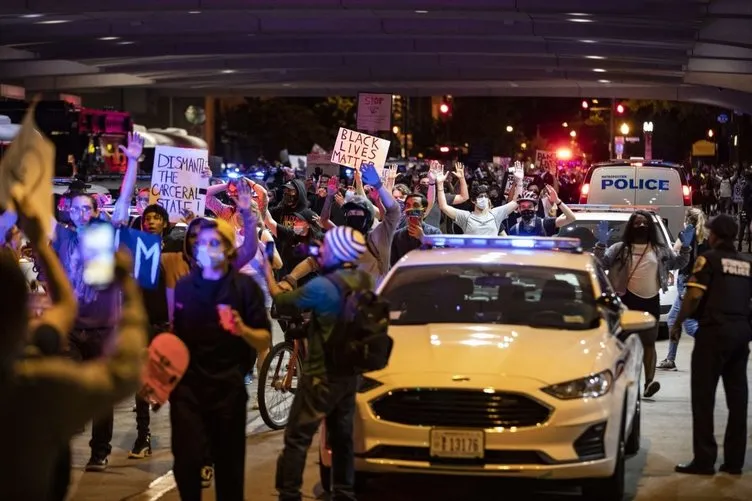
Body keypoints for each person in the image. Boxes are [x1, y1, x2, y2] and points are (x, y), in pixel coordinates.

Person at [0, 187, 148, 501]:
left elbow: (121, 212)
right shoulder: (41, 382)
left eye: (87, 208)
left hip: (101, 329)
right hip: (76, 332)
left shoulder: (104, 237)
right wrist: (131, 297)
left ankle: (100, 451)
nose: (81, 213)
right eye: (76, 208)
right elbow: (121, 374)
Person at [266, 225, 371, 501]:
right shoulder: (360, 283)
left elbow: (282, 301)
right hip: (348, 378)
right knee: (342, 439)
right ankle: (344, 492)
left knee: (298, 438)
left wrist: (269, 271)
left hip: (319, 376)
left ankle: (289, 494)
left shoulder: (322, 286)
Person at [170, 218, 271, 501]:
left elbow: (264, 339)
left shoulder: (244, 288)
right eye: (201, 243)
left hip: (227, 388)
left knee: (228, 469)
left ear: (229, 249)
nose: (205, 248)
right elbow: (177, 336)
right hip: (188, 390)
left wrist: (243, 329)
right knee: (187, 462)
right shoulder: (185, 286)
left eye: (213, 243)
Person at [673, 214, 751, 476]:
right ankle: (734, 462)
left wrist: (677, 322)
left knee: (704, 399)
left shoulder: (709, 259)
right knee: (738, 401)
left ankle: (704, 461)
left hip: (713, 334)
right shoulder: (746, 263)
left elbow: (694, 294)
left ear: (715, 235)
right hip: (740, 335)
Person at [595, 210, 692, 398]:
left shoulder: (660, 250)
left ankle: (648, 383)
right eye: (637, 223)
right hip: (625, 301)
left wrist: (686, 248)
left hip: (651, 302)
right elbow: (600, 263)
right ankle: (620, 382)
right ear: (631, 227)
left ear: (650, 227)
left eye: (644, 223)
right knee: (622, 345)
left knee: (649, 343)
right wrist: (600, 244)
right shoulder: (619, 249)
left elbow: (678, 263)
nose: (641, 226)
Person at [658, 208, 709, 371]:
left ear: (687, 220)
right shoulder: (705, 236)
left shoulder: (687, 234)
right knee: (673, 319)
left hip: (685, 281)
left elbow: (676, 250)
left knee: (688, 323)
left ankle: (714, 345)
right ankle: (670, 359)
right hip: (699, 281)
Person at [436, 167, 522, 236]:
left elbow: (516, 202)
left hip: (491, 255)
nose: (484, 199)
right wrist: (440, 184)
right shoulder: (466, 217)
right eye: (481, 197)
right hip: (472, 255)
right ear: (473, 200)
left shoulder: (496, 214)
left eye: (486, 196)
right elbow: (443, 207)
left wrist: (519, 181)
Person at [390, 192, 442, 265]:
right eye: (408, 205)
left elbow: (440, 257)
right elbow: (393, 264)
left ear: (424, 210)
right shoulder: (397, 235)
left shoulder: (434, 232)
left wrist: (423, 238)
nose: (411, 209)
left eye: (415, 205)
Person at [506, 186, 575, 236]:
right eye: (523, 207)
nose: (526, 209)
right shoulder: (514, 229)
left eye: (530, 206)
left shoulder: (545, 223)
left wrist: (557, 201)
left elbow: (571, 218)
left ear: (535, 208)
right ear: (519, 209)